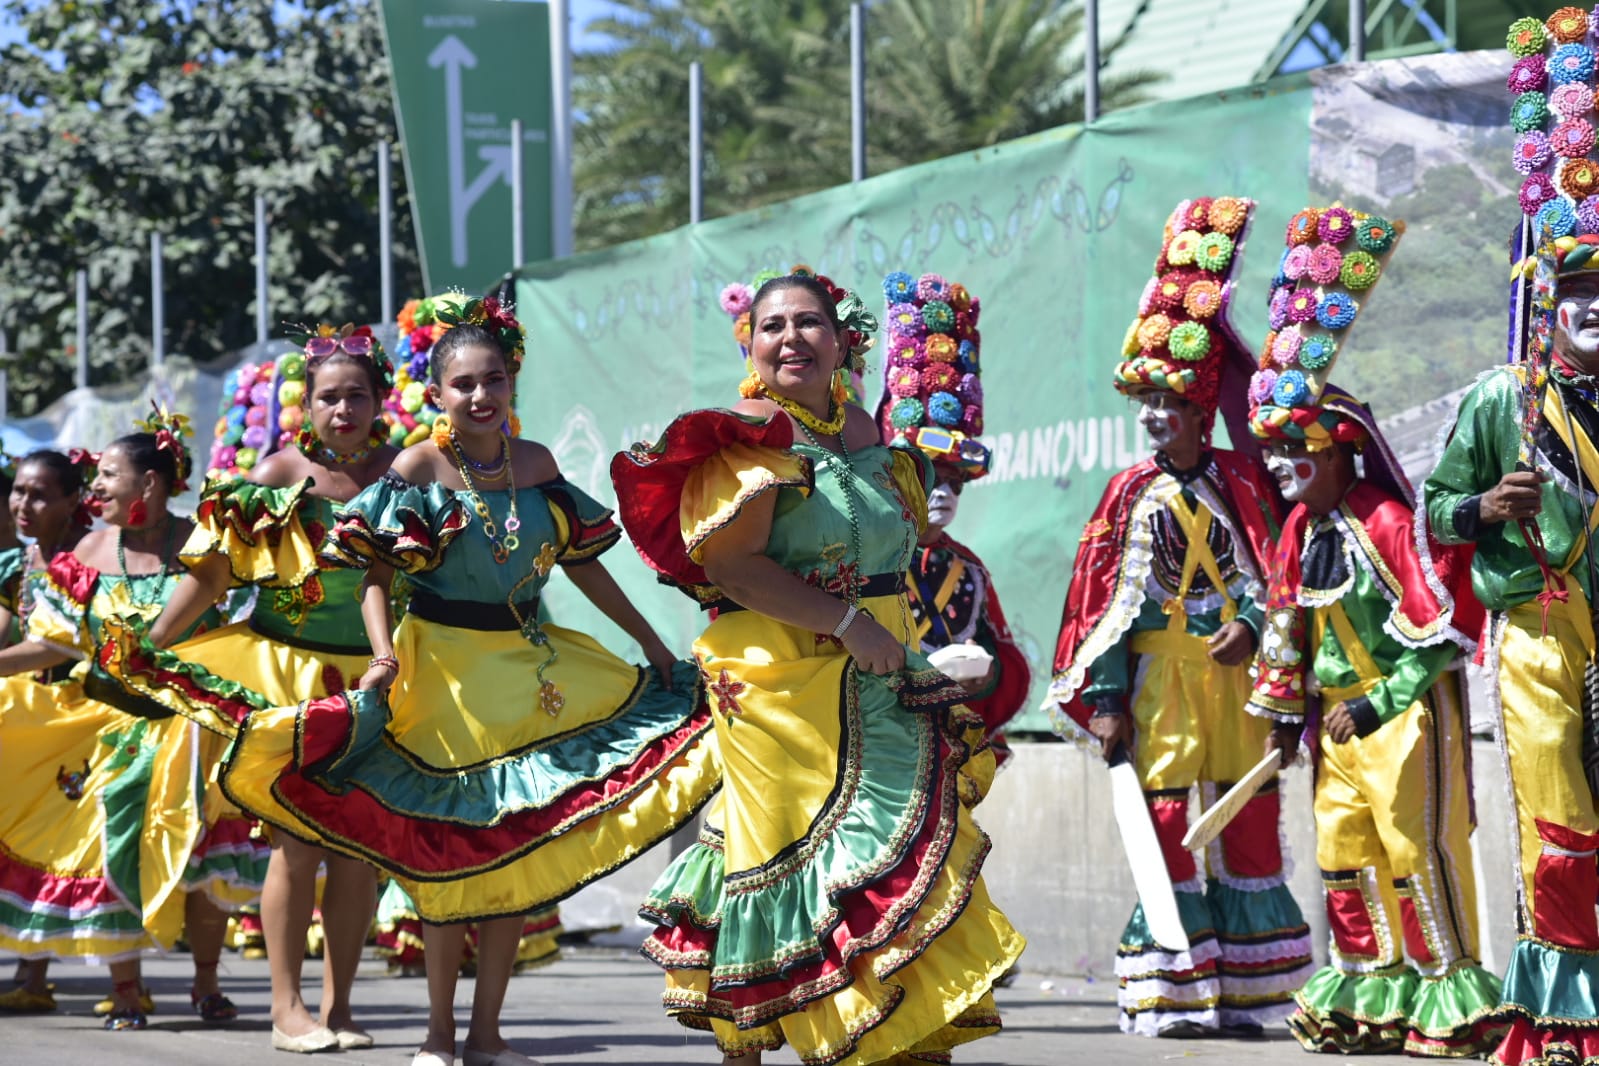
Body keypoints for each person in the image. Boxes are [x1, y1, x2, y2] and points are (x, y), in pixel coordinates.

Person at [143, 296, 719, 1066]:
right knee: (342, 844)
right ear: (436, 392)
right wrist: (157, 640)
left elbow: (583, 567)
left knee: (504, 842)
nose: (481, 397)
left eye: (494, 381)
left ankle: (447, 1024)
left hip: (524, 667)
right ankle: (345, 1017)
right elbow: (240, 570)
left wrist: (651, 641)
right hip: (398, 669)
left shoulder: (531, 466)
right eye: (463, 384)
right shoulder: (377, 469)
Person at [612, 270, 1025, 1065]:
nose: (790, 339)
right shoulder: (750, 437)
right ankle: (795, 1037)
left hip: (881, 669)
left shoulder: (870, 439)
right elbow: (734, 569)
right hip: (779, 677)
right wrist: (845, 623)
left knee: (897, 856)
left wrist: (896, 641)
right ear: (751, 344)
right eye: (771, 327)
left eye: (808, 324)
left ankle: (895, 1036)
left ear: (843, 342)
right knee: (801, 857)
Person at [1048, 196, 1313, 1038]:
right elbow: (1103, 610)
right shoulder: (1126, 491)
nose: (1156, 417)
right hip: (1160, 675)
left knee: (1249, 820)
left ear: (1204, 413)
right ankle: (1174, 996)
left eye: (1172, 404)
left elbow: (1279, 573)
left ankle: (1253, 997)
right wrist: (1108, 700)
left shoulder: (1242, 482)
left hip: (1233, 676)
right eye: (1147, 404)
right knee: (1166, 822)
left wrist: (1251, 631)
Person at [1241, 202, 1501, 1055]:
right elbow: (1285, 629)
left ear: (1341, 452)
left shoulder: (1383, 520)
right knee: (1342, 853)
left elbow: (1444, 629)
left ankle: (1442, 995)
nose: (1281, 471)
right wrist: (1283, 715)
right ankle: (1368, 992)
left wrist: (1379, 705)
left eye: (1296, 457)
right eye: (1274, 458)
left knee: (1411, 852)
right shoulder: (1293, 533)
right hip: (1335, 728)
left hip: (1400, 720)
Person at [99, 324, 400, 1052]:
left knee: (357, 849)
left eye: (356, 395)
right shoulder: (274, 475)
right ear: (305, 404)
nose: (342, 410)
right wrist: (157, 641)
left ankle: (341, 1007)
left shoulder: (405, 473)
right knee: (296, 844)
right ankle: (285, 1007)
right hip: (284, 677)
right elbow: (213, 575)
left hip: (377, 676)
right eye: (328, 397)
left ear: (380, 399)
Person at [0, 416, 268, 1029]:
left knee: (203, 864)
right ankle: (126, 989)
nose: (95, 490)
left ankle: (206, 984)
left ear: (148, 485)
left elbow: (243, 629)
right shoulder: (90, 551)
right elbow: (60, 644)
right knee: (111, 845)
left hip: (193, 728)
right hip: (107, 727)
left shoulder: (205, 544)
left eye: (108, 478)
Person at [1425, 231, 1599, 1063]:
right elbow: (1433, 509)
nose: (1595, 301)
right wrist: (1487, 506)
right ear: (1548, 301)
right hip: (1538, 630)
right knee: (1560, 826)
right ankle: (1564, 1019)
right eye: (1578, 283)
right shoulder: (1505, 399)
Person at [875, 271, 1031, 764]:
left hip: (955, 742)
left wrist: (989, 678)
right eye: (930, 478)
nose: (944, 494)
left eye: (955, 483)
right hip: (884, 743)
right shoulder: (864, 557)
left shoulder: (969, 568)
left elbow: (1002, 652)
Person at [0, 449, 93, 1013]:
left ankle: (36, 975)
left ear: (72, 501)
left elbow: (61, 645)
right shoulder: (15, 565)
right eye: (17, 492)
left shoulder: (89, 559)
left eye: (38, 495)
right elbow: (8, 633)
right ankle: (27, 974)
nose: (22, 504)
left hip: (74, 717)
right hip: (25, 714)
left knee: (50, 844)